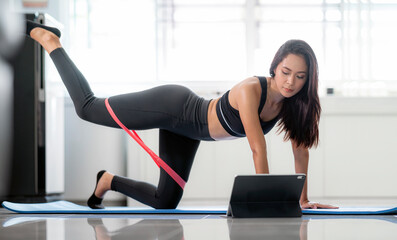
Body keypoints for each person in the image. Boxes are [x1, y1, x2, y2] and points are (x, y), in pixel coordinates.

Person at [26, 20, 338, 210]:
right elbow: (258, 147)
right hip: (173, 106)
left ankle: (107, 181)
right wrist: (268, 201)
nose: (290, 82)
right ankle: (52, 42)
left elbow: (301, 153)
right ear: (274, 66)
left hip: (188, 132)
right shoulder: (250, 90)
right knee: (87, 108)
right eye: (286, 72)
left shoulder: (291, 103)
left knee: (165, 202)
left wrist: (302, 199)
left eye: (300, 77)